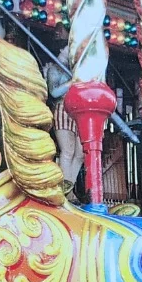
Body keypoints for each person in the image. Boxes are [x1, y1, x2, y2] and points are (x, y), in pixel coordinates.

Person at [42, 46, 83, 197]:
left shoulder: (75, 69)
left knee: (80, 153)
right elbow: (54, 92)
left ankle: (69, 188)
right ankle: (66, 190)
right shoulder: (55, 69)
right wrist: (72, 82)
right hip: (63, 108)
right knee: (68, 151)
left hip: (77, 111)